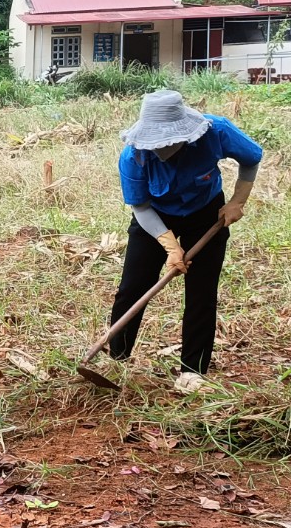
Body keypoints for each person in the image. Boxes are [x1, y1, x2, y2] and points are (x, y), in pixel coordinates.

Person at [109, 89, 262, 394]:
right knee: (133, 287)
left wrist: (237, 202)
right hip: (154, 216)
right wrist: (169, 245)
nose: (161, 148)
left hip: (205, 212)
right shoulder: (133, 155)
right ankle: (116, 359)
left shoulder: (216, 131)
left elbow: (252, 157)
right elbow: (140, 206)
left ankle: (192, 371)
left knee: (201, 292)